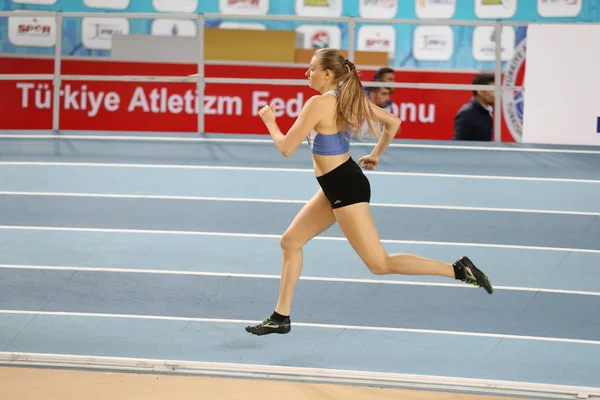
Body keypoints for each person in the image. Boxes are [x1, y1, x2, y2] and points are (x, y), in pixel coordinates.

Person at [245, 48, 493, 336]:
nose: (306, 73)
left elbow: (286, 148)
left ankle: (460, 270)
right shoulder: (348, 98)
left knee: (379, 264)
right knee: (290, 242)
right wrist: (376, 154)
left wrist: (270, 122)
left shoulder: (318, 103)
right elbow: (394, 123)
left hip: (344, 187)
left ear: (327, 74)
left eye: (311, 68)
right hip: (339, 182)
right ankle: (281, 316)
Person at [452, 72, 495, 141]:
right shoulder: (466, 114)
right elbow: (457, 145)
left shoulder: (490, 111)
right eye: (493, 91)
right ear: (480, 91)